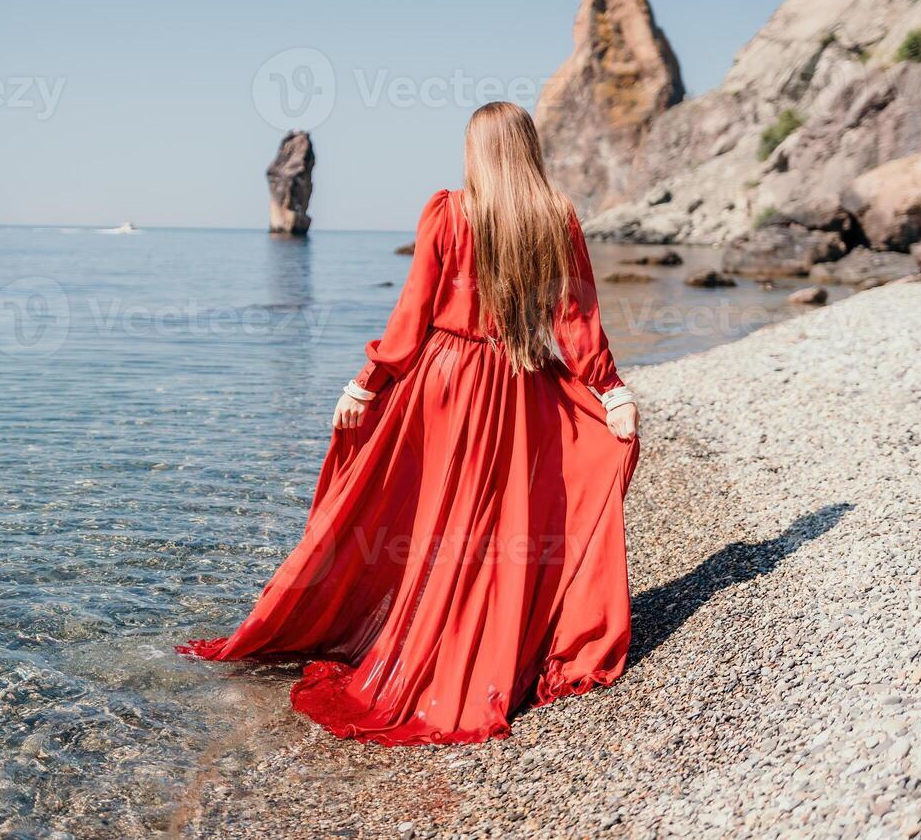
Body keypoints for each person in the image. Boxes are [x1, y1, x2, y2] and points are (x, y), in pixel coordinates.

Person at [179, 101, 640, 745]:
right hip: (516, 380)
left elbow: (412, 313)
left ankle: (422, 642)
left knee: (424, 517)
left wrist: (367, 383)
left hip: (445, 379)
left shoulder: (450, 211)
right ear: (527, 149)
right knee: (497, 524)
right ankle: (488, 643)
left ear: (476, 149)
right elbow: (576, 319)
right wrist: (610, 391)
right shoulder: (553, 217)